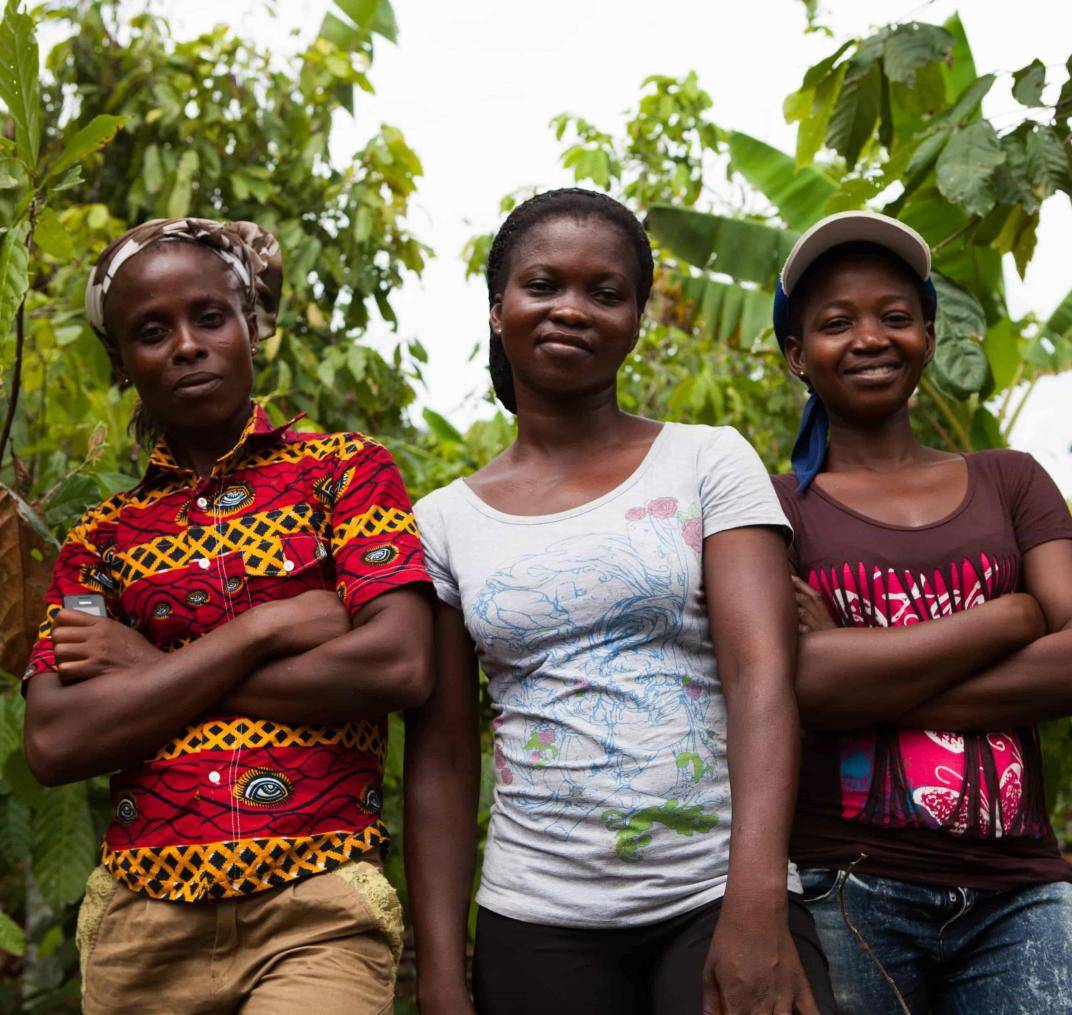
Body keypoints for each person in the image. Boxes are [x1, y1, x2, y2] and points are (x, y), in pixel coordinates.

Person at [405, 188, 837, 1015]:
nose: (572, 309)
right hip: (535, 916)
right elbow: (445, 758)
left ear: (637, 317)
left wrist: (755, 909)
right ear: (499, 309)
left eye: (605, 293)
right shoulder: (445, 521)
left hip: (716, 889)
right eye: (543, 285)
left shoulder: (708, 461)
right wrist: (440, 976)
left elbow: (761, 677)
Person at [22, 218, 433, 1014]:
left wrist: (149, 668)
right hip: (144, 922)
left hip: (317, 906)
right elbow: (55, 738)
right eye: (151, 330)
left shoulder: (343, 474)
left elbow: (399, 664)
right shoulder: (99, 539)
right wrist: (264, 629)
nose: (185, 344)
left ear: (250, 324)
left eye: (209, 317)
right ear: (121, 363)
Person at [771, 210, 1072, 1014]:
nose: (870, 337)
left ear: (928, 337)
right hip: (847, 882)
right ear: (796, 355)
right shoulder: (775, 509)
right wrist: (1008, 619)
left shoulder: (1010, 480)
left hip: (1020, 888)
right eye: (836, 323)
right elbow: (801, 683)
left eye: (896, 317)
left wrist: (863, 676)